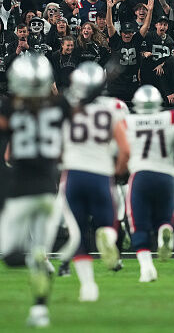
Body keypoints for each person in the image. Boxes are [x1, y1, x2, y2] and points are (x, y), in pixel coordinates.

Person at [0, 54, 72, 327]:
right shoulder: (59, 106)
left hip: (21, 190)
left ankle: (33, 259)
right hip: (49, 188)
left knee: (11, 256)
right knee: (39, 250)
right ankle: (40, 310)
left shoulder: (8, 107)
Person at [60, 62, 130, 302]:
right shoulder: (113, 108)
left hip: (74, 174)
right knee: (109, 224)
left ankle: (88, 286)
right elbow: (125, 150)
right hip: (100, 174)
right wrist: (118, 172)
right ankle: (108, 240)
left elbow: (56, 148)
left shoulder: (65, 109)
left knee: (78, 234)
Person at [124, 85, 174, 282]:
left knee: (138, 224)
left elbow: (119, 151)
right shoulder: (171, 118)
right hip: (165, 175)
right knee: (164, 218)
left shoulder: (128, 121)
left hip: (140, 175)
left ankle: (147, 269)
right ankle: (166, 230)